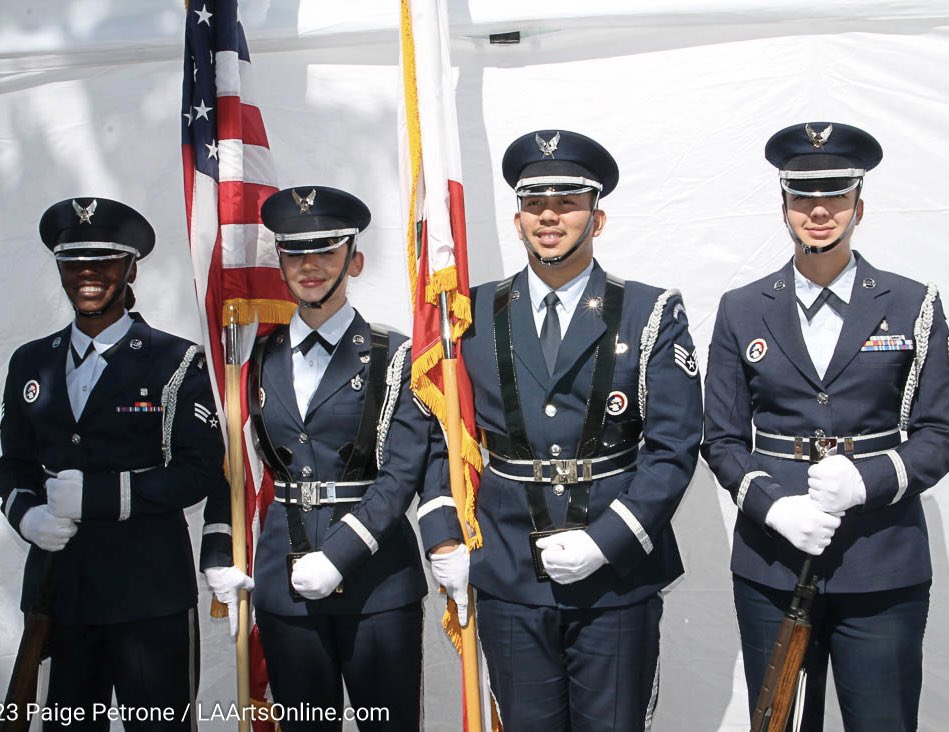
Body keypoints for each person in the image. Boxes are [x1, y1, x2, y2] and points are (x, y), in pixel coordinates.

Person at [702, 122, 949, 729]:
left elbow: (939, 430)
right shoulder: (741, 308)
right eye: (803, 196)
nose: (819, 210)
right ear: (783, 206)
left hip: (881, 558)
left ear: (858, 207)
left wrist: (868, 481)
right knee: (778, 723)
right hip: (773, 562)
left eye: (835, 195)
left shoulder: (912, 304)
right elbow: (721, 437)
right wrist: (770, 506)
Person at [457, 130, 703, 730]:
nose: (550, 215)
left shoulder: (649, 311)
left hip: (616, 578)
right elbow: (444, 436)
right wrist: (444, 535)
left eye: (567, 202)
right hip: (510, 567)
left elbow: (673, 448)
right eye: (535, 202)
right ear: (517, 219)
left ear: (598, 217)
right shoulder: (470, 313)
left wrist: (605, 542)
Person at [0, 197, 226, 729]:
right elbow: (13, 462)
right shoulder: (31, 361)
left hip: (149, 596)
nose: (87, 276)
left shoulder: (176, 361)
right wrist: (27, 515)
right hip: (63, 592)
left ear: (131, 269)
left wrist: (103, 496)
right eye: (74, 263)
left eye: (103, 262)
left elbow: (198, 469)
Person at [246, 185, 460, 731]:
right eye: (295, 252)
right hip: (285, 578)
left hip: (376, 581)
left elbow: (402, 473)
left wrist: (338, 554)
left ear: (355, 260)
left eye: (325, 250)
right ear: (280, 263)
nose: (309, 265)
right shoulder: (255, 357)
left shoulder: (396, 355)